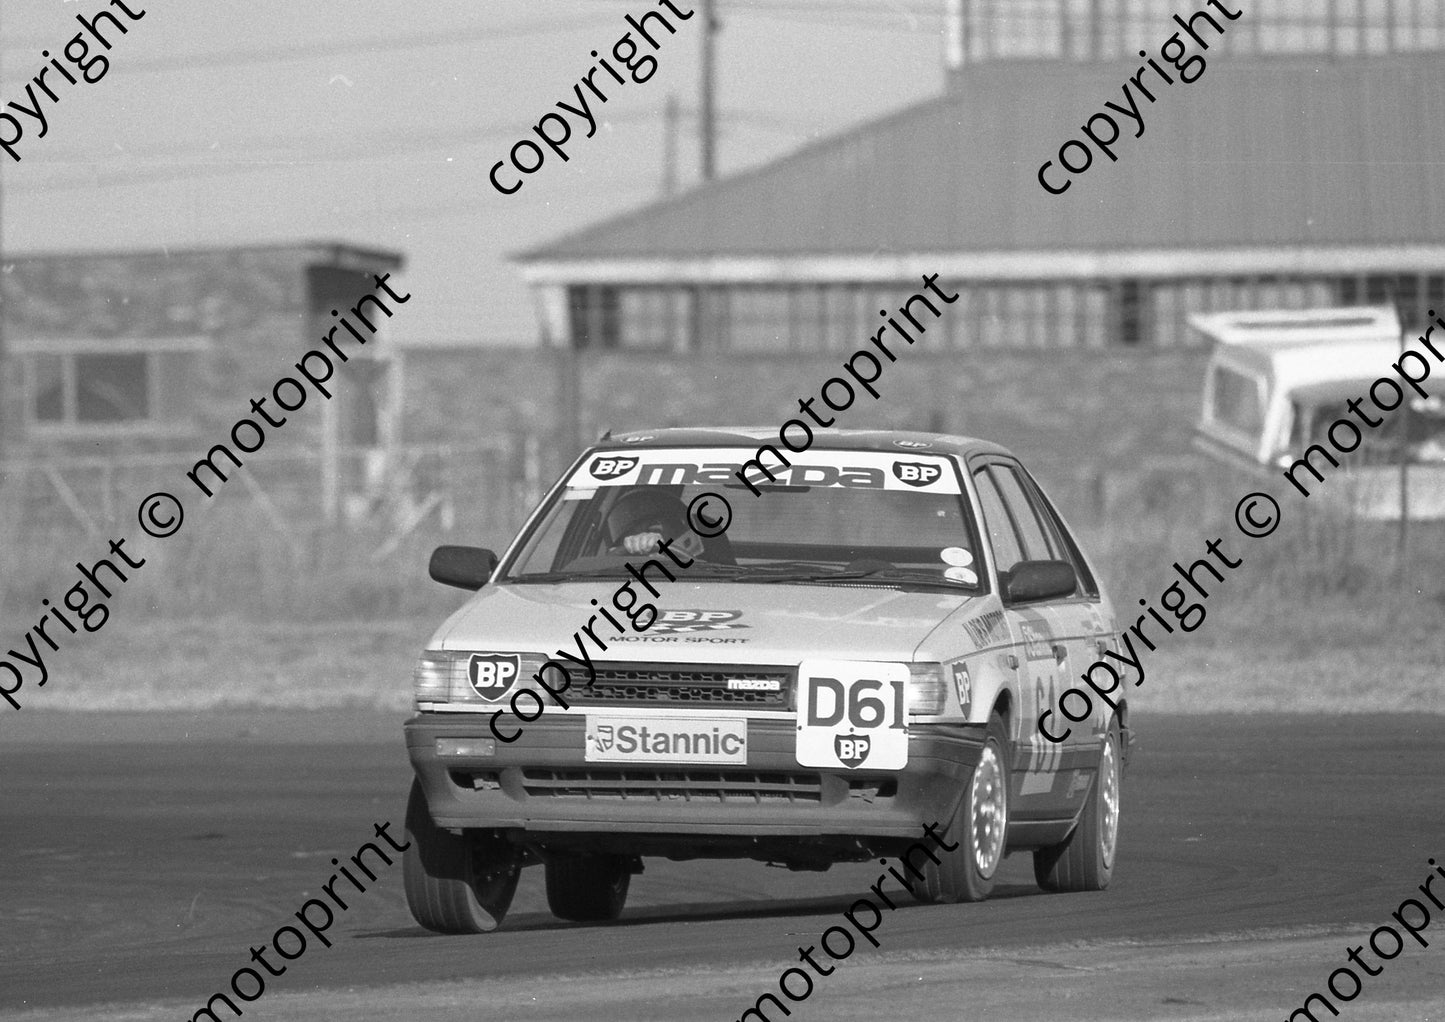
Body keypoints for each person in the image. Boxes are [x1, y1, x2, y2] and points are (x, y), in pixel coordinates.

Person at [605, 488, 707, 559]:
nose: (647, 533)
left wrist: (665, 558)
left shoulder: (705, 573)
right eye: (637, 525)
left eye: (656, 524)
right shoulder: (608, 574)